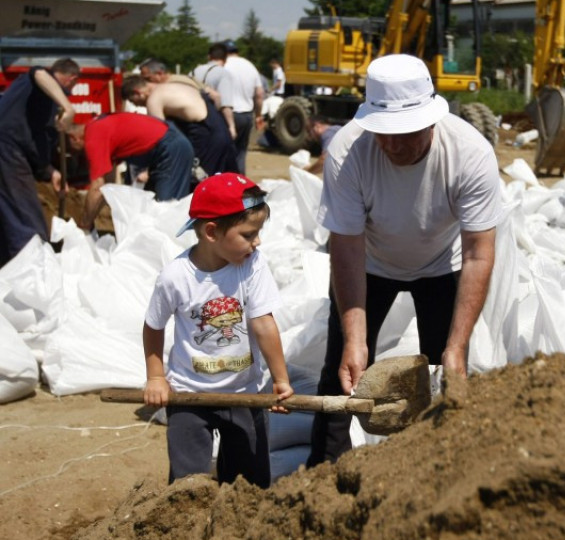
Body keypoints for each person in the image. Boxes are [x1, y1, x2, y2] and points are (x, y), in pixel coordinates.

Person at [306, 54, 503, 465]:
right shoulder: (348, 150)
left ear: (432, 119)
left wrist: (457, 346)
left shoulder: (470, 153)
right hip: (370, 264)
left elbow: (478, 253)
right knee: (342, 369)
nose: (393, 145)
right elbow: (346, 248)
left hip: (440, 263)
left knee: (440, 370)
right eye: (384, 133)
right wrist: (356, 340)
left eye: (406, 132)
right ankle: (324, 469)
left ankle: (434, 465)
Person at [143, 172, 294, 488]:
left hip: (243, 393)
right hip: (188, 395)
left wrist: (280, 380)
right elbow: (154, 326)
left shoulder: (251, 265)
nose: (258, 242)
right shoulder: (175, 277)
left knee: (248, 483)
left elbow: (263, 323)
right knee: (188, 485)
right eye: (249, 234)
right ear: (212, 232)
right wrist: (156, 377)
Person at [0, 58, 78, 266]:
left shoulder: (43, 106)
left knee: (8, 212)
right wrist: (68, 108)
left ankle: (12, 266)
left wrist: (51, 172)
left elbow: (38, 144)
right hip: (6, 146)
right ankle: (34, 266)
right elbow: (39, 74)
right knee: (25, 215)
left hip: (12, 150)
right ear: (71, 79)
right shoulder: (39, 80)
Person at [66, 112, 195, 229]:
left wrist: (85, 223)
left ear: (74, 138)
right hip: (167, 146)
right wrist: (91, 218)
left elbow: (97, 187)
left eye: (72, 150)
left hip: (170, 149)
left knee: (166, 211)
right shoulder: (98, 126)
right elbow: (107, 188)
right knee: (152, 212)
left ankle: (174, 252)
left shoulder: (93, 136)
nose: (76, 155)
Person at [122, 75, 239, 180]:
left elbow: (160, 138)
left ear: (137, 92)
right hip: (219, 126)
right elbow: (215, 96)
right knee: (236, 179)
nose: (137, 105)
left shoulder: (154, 100)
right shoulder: (175, 85)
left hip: (206, 138)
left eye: (134, 101)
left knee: (203, 185)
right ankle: (254, 203)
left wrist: (147, 170)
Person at [223, 41, 265, 174]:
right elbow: (259, 94)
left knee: (223, 151)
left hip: (226, 113)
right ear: (237, 51)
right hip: (246, 115)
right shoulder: (249, 65)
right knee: (241, 153)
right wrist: (258, 115)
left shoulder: (223, 66)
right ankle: (240, 185)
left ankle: (223, 184)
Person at [190, 43, 239, 140]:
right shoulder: (223, 73)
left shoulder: (193, 71)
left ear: (209, 57)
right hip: (211, 120)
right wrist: (231, 126)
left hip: (192, 119)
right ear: (225, 60)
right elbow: (225, 105)